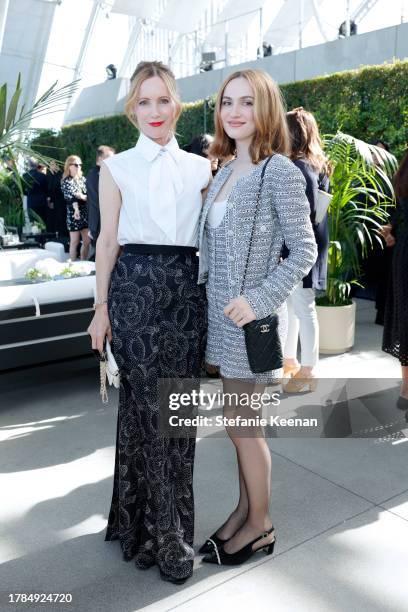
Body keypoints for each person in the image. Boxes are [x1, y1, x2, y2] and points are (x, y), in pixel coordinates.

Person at [87, 60, 211, 584]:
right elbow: (107, 241)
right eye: (144, 101)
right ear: (131, 108)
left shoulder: (203, 167)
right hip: (134, 294)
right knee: (145, 410)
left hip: (187, 294)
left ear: (176, 105)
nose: (154, 111)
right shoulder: (115, 170)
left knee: (176, 415)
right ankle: (162, 536)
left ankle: (151, 525)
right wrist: (101, 309)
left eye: (163, 100)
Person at [197, 69, 317, 566]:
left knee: (246, 426)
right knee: (235, 422)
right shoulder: (224, 170)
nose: (235, 112)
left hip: (252, 324)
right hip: (222, 323)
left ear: (264, 107)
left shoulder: (280, 171)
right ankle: (243, 512)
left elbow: (304, 250)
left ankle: (261, 525)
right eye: (227, 102)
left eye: (247, 102)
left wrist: (259, 299)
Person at [282, 107, 331, 392]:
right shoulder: (315, 163)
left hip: (300, 246)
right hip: (307, 243)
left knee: (301, 306)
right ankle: (292, 362)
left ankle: (309, 369)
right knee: (296, 305)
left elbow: (306, 210)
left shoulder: (300, 166)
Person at [382, 149, 408, 409]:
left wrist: (390, 234)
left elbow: (393, 222)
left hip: (403, 256)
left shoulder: (401, 177)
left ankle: (405, 391)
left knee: (405, 320)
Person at [61, 155, 90, 260]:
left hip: (85, 212)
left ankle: (83, 262)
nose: (79, 167)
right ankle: (72, 266)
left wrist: (82, 196)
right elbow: (71, 198)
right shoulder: (66, 181)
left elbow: (88, 195)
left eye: (80, 165)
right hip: (73, 213)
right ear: (69, 166)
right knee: (74, 241)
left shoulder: (83, 179)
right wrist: (77, 208)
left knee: (87, 241)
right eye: (76, 165)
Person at [86, 145, 115, 250]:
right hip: (99, 224)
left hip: (106, 223)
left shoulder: (105, 173)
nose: (113, 160)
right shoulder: (94, 174)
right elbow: (97, 200)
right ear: (100, 159)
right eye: (109, 157)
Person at [22, 158, 48, 225]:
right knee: (43, 222)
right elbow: (47, 189)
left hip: (31, 201)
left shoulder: (24, 176)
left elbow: (23, 191)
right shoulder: (43, 176)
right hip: (42, 201)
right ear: (37, 165)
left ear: (29, 165)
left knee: (33, 223)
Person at [46, 160, 67, 237]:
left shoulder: (61, 175)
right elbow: (49, 188)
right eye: (50, 164)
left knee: (61, 217)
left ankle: (62, 235)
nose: (51, 166)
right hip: (53, 200)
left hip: (60, 200)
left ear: (57, 166)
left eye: (53, 164)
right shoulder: (49, 176)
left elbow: (55, 187)